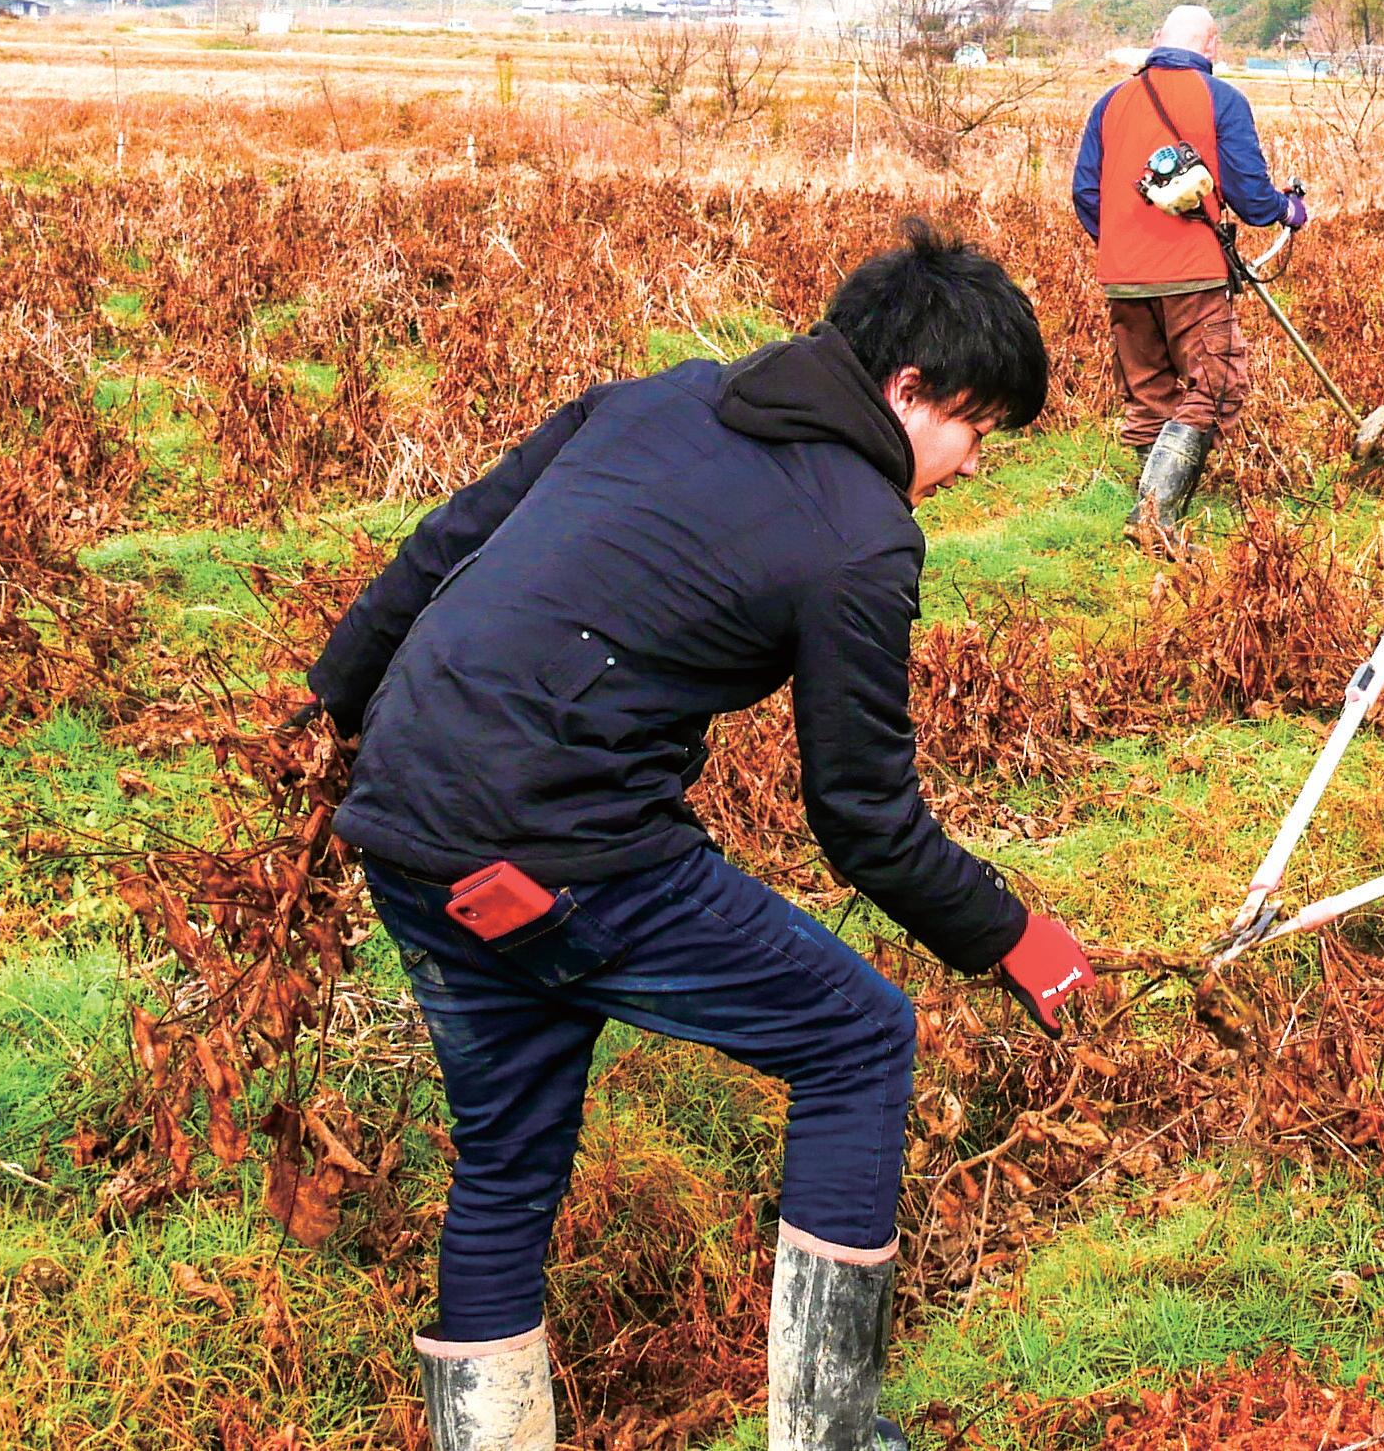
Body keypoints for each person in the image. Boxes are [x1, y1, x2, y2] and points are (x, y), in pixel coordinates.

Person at [308, 221, 1099, 1451]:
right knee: (856, 1038)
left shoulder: (653, 399)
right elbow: (861, 817)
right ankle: (828, 1436)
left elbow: (439, 550)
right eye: (974, 428)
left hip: (407, 824)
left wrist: (324, 723)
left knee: (505, 1157)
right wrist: (1009, 935)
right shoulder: (862, 535)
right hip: (561, 851)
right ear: (906, 389)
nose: (973, 463)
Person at [1069, 4, 1304, 537]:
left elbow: (1085, 192)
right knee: (1218, 384)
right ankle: (1155, 518)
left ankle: (1149, 506)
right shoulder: (1222, 99)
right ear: (1212, 45)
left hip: (1123, 277)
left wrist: (1123, 245)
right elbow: (1250, 195)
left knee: (1147, 390)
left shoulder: (1110, 101)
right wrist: (1287, 209)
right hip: (1193, 273)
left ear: (1157, 39)